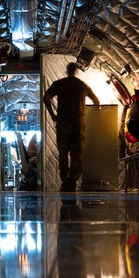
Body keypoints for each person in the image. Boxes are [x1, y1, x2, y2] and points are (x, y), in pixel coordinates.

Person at [43, 62, 100, 191]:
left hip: (63, 122)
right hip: (78, 123)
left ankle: (64, 181)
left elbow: (46, 98)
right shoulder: (82, 85)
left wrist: (52, 114)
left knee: (63, 154)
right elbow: (96, 101)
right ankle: (72, 182)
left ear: (66, 71)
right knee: (77, 154)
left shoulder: (59, 84)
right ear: (77, 71)